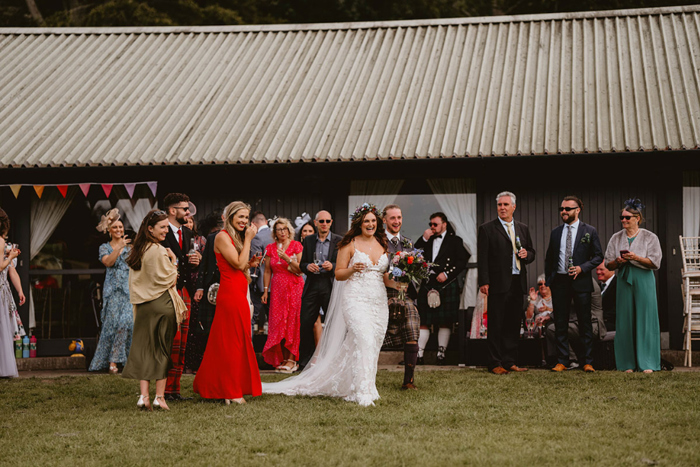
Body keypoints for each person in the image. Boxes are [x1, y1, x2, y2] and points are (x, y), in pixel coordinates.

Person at [263, 204, 403, 406]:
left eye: (373, 221)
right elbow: (338, 273)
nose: (370, 224)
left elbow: (385, 277)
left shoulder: (383, 244)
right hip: (355, 298)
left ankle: (369, 387)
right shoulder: (349, 244)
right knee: (363, 339)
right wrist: (353, 269)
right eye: (366, 221)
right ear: (359, 223)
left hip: (378, 301)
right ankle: (361, 392)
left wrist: (402, 282)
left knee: (373, 343)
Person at [193, 201, 262, 405]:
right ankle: (231, 392)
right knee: (231, 343)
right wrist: (249, 239)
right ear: (230, 217)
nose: (244, 221)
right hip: (230, 293)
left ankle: (226, 387)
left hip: (238, 290)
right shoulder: (222, 237)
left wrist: (251, 264)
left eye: (246, 218)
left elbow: (239, 265)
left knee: (233, 341)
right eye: (240, 217)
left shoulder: (233, 238)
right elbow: (238, 263)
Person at [122, 209, 187, 411]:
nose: (166, 231)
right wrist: (174, 260)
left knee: (144, 349)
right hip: (161, 304)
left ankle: (143, 397)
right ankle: (159, 397)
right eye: (163, 227)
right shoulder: (159, 250)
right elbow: (170, 277)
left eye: (167, 227)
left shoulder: (137, 250)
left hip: (142, 306)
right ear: (150, 229)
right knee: (162, 350)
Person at [477, 191, 535, 374]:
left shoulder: (523, 228)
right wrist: (484, 281)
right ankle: (495, 363)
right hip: (497, 283)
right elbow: (483, 257)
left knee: (513, 324)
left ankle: (510, 361)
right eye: (499, 205)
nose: (502, 208)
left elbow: (532, 252)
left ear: (513, 207)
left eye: (505, 205)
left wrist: (527, 254)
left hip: (517, 282)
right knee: (496, 324)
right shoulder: (487, 229)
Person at [544, 196, 603, 373]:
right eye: (562, 208)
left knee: (585, 323)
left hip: (581, 281)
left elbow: (598, 256)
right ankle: (563, 361)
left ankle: (587, 362)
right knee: (560, 322)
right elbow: (549, 258)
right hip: (560, 282)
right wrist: (550, 281)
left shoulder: (589, 231)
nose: (564, 211)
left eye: (568, 209)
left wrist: (582, 268)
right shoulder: (555, 232)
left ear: (578, 210)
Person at [604, 199, 662, 373]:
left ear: (637, 218)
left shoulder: (650, 237)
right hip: (623, 279)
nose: (623, 221)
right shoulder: (616, 238)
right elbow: (608, 264)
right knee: (625, 320)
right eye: (621, 218)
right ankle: (626, 363)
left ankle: (648, 363)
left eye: (627, 218)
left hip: (644, 278)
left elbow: (655, 262)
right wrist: (618, 261)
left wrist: (636, 258)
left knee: (646, 319)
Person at [160, 193, 200, 401]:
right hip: (167, 290)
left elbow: (191, 260)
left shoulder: (188, 232)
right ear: (172, 210)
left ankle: (174, 389)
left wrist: (197, 259)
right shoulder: (161, 231)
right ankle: (163, 389)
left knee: (182, 342)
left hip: (185, 290)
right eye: (185, 209)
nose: (188, 212)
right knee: (170, 340)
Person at [415, 212, 469, 365]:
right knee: (423, 320)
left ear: (444, 224)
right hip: (427, 283)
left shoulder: (455, 241)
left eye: (435, 224)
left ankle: (441, 354)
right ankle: (419, 355)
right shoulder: (426, 239)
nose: (432, 227)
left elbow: (462, 261)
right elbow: (413, 253)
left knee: (445, 321)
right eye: (430, 224)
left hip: (445, 283)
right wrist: (424, 238)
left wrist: (446, 274)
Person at [89, 208, 133, 374]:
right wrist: (118, 248)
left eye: (121, 227)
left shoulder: (130, 248)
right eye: (115, 228)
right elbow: (108, 262)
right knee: (112, 326)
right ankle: (112, 362)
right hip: (113, 292)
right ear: (109, 230)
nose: (119, 230)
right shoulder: (104, 247)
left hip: (128, 291)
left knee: (127, 323)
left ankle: (119, 360)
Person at [297, 210, 342, 369]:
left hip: (329, 284)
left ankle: (331, 362)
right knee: (306, 323)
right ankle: (304, 363)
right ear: (315, 223)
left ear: (331, 222)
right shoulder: (308, 240)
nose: (324, 224)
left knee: (332, 323)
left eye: (327, 221)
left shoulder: (339, 240)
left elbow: (344, 264)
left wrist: (333, 266)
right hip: (312, 283)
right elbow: (302, 264)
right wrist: (307, 266)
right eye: (321, 221)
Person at [382, 204, 420, 389]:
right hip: (380, 292)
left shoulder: (408, 243)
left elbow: (413, 271)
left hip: (403, 293)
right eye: (392, 218)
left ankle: (409, 381)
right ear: (384, 220)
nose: (396, 221)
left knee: (412, 325)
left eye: (399, 217)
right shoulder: (377, 241)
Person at [261, 218, 304, 372]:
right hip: (277, 288)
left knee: (292, 322)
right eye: (279, 229)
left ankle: (292, 360)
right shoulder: (270, 248)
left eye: (285, 229)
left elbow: (300, 269)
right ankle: (282, 358)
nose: (282, 232)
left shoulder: (296, 246)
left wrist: (286, 258)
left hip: (293, 286)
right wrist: (266, 290)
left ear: (289, 230)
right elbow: (267, 270)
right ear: (275, 232)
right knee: (278, 322)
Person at [543, 275, 606, 367]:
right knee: (551, 326)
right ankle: (554, 360)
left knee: (553, 329)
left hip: (593, 324)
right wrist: (550, 317)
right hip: (580, 322)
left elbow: (569, 303)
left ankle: (572, 360)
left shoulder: (585, 282)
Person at [183, 215, 211, 373]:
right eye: (185, 220)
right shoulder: (179, 240)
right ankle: (184, 362)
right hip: (185, 280)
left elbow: (208, 263)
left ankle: (197, 363)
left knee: (197, 322)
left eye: (190, 221)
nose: (187, 223)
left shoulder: (201, 240)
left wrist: (200, 258)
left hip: (198, 283)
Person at [0, 208, 23, 379]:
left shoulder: (3, 244)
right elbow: (1, 266)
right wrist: (11, 256)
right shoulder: (1, 242)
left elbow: (11, 270)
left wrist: (20, 290)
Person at [249, 212, 273, 333]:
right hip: (276, 284)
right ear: (266, 222)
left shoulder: (257, 237)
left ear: (252, 224)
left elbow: (256, 263)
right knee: (273, 320)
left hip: (260, 284)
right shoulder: (275, 235)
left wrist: (251, 281)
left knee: (252, 318)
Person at [596, 261, 617, 332]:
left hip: (611, 325)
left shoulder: (619, 286)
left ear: (611, 270)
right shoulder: (596, 287)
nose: (598, 272)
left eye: (601, 269)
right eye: (597, 269)